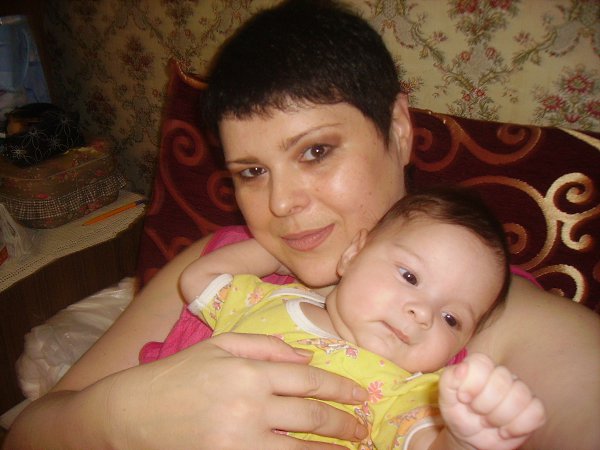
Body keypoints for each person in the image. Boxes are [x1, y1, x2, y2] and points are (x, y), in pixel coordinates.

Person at [5, 1, 598, 449]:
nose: (281, 203)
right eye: (252, 171)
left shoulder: (493, 317)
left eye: (315, 151)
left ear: (397, 129)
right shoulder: (222, 257)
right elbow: (29, 432)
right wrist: (127, 415)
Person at [179, 187, 545, 449]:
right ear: (354, 253)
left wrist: (462, 438)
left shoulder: (410, 390)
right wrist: (281, 256)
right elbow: (198, 279)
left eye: (451, 319)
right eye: (410, 276)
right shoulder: (270, 300)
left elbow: (422, 439)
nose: (422, 314)